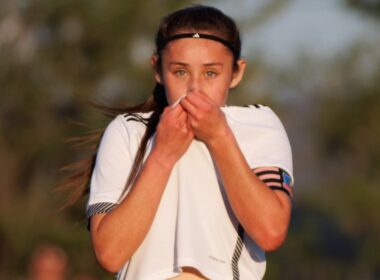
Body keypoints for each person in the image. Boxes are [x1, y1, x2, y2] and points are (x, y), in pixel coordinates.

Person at [69, 5, 294, 280]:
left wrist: (219, 137)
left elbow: (271, 231)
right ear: (158, 70)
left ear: (236, 73)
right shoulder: (128, 131)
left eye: (211, 73)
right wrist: (162, 156)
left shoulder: (258, 125)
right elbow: (110, 253)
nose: (195, 89)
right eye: (180, 72)